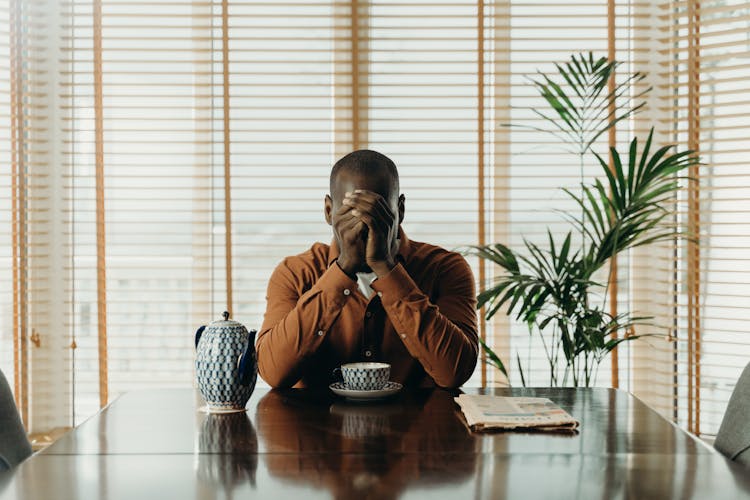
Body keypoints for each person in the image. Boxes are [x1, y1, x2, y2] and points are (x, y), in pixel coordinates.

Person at [256, 150, 478, 388]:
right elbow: (272, 371)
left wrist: (387, 269)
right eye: (351, 211)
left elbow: (455, 371)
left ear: (400, 210)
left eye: (378, 212)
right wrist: (343, 268)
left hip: (415, 423)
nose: (364, 223)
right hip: (318, 422)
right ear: (329, 211)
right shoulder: (296, 272)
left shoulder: (444, 269)